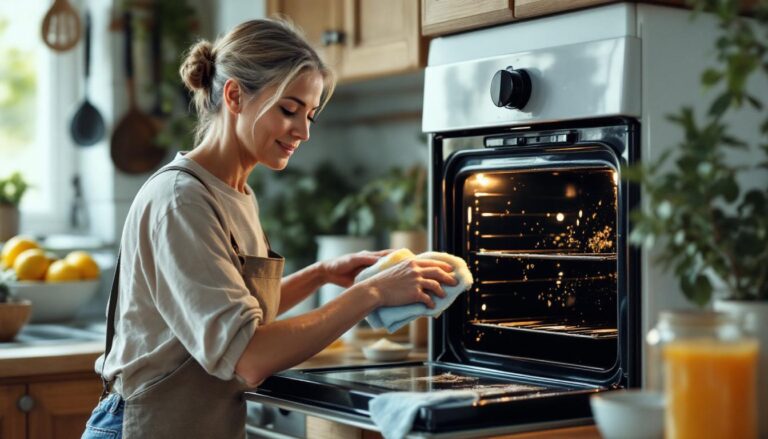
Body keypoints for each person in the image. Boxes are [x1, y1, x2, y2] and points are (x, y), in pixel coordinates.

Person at [81, 18, 456, 439]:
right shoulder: (181, 199)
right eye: (289, 109)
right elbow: (248, 356)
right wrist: (372, 293)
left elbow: (238, 316)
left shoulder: (235, 191)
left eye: (310, 115)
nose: (304, 131)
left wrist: (322, 273)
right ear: (235, 95)